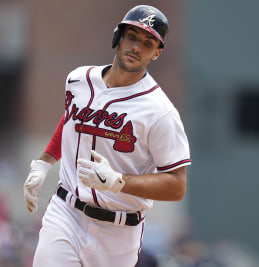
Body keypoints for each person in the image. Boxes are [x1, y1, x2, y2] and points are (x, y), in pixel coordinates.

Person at [23, 5, 191, 267]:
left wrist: (119, 181)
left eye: (147, 43)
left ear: (157, 53)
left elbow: (177, 185)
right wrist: (44, 161)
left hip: (119, 232)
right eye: (132, 37)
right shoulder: (79, 79)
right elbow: (72, 118)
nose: (136, 47)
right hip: (66, 213)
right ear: (118, 37)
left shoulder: (160, 112)